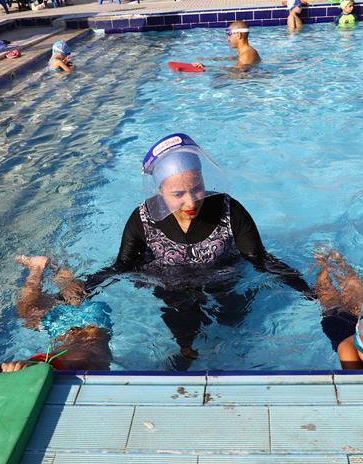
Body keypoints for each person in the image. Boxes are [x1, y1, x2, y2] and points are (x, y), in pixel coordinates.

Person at [81, 133, 311, 369]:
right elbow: (123, 265)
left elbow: (260, 259)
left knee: (233, 318)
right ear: (161, 191)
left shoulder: (229, 210)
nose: (191, 202)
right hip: (172, 283)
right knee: (182, 321)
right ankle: (187, 351)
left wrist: (308, 291)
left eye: (197, 188)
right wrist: (84, 288)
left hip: (223, 277)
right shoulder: (142, 218)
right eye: (178, 194)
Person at [0, 255, 113, 373]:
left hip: (71, 331)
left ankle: (47, 270)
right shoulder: (87, 366)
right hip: (89, 326)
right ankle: (47, 270)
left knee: (28, 313)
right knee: (42, 307)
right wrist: (36, 365)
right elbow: (83, 361)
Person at [193, 20, 261, 71]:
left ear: (238, 35)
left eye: (229, 35)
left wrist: (207, 67)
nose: (228, 38)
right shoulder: (246, 52)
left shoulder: (247, 55)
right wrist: (211, 59)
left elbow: (237, 73)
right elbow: (233, 59)